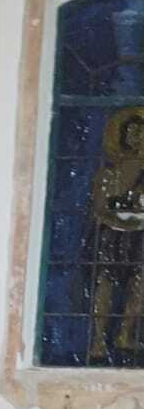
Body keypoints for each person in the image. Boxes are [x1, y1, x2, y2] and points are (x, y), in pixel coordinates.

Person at [89, 108, 144, 362]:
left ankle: (126, 334)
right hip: (112, 236)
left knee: (139, 283)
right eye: (132, 133)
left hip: (140, 236)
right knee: (106, 284)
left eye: (141, 133)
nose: (137, 138)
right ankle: (98, 340)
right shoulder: (109, 174)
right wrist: (116, 219)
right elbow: (99, 207)